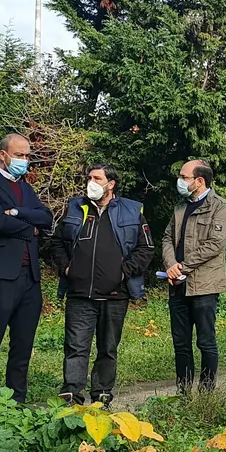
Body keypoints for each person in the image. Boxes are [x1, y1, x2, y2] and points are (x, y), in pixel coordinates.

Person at [57, 165, 154, 405]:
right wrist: (66, 268)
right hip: (79, 293)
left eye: (96, 178)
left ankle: (101, 394)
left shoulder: (131, 210)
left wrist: (123, 272)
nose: (90, 181)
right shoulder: (74, 207)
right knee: (76, 346)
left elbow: (146, 248)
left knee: (108, 348)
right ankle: (71, 394)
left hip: (114, 294)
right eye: (89, 177)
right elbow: (57, 241)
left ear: (110, 184)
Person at [0, 134, 54, 402]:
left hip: (30, 276)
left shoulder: (26, 189)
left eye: (28, 156)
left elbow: (48, 219)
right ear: (3, 155)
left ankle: (16, 402)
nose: (24, 161)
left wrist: (17, 213)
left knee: (23, 343)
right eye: (19, 155)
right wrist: (31, 226)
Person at [161, 160, 226, 395]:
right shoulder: (180, 207)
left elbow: (215, 245)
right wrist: (171, 265)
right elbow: (167, 238)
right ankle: (183, 391)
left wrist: (183, 266)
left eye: (184, 177)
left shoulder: (219, 207)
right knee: (181, 344)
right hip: (177, 285)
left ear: (199, 181)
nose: (180, 181)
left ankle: (206, 391)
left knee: (206, 342)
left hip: (204, 286)